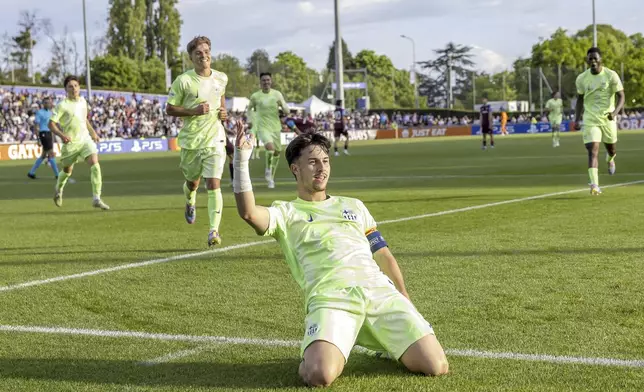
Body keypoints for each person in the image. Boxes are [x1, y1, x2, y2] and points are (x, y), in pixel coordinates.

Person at [231, 124, 449, 387]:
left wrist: (405, 298)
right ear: (295, 169)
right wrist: (241, 160)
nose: (321, 168)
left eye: (325, 161)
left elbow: (383, 255)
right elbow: (249, 213)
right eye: (312, 162)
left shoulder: (354, 205)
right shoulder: (286, 213)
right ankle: (321, 349)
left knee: (435, 365)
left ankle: (375, 341)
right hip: (331, 299)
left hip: (378, 292)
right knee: (319, 375)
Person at [166, 36, 229, 246]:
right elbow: (169, 108)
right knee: (193, 183)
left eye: (206, 51)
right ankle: (190, 200)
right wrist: (193, 111)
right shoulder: (183, 80)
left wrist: (223, 112)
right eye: (198, 53)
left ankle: (213, 231)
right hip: (192, 141)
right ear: (191, 57)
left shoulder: (221, 78)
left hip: (215, 138)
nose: (204, 56)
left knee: (214, 184)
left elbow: (221, 99)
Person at [49, 76, 109, 210]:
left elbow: (84, 119)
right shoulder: (62, 105)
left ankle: (96, 198)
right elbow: (51, 124)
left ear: (79, 87)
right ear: (65, 89)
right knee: (67, 170)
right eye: (70, 86)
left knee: (95, 163)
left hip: (85, 140)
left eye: (76, 85)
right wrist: (62, 135)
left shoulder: (83, 101)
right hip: (70, 143)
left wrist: (93, 132)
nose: (74, 88)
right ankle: (58, 189)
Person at [574, 47, 625, 195]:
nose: (593, 61)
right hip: (590, 119)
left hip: (608, 119)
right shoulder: (582, 79)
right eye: (590, 59)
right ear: (587, 61)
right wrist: (576, 119)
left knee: (612, 149)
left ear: (601, 59)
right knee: (593, 150)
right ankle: (594, 185)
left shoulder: (611, 75)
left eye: (595, 58)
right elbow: (579, 99)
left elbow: (621, 96)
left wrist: (614, 113)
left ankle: (610, 159)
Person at [247, 72, 289, 189]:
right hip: (262, 127)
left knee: (277, 152)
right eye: (264, 80)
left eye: (268, 80)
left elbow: (285, 107)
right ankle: (267, 169)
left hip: (276, 127)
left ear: (271, 81)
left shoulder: (277, 94)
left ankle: (271, 178)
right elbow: (249, 109)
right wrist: (250, 119)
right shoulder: (256, 96)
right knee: (270, 148)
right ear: (260, 82)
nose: (266, 82)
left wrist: (285, 109)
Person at [27, 97, 59, 179]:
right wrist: (38, 139)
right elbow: (36, 126)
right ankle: (57, 174)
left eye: (49, 102)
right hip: (43, 133)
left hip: (49, 133)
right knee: (51, 154)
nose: (48, 104)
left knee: (43, 155)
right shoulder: (39, 113)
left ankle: (31, 172)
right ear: (43, 104)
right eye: (46, 103)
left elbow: (52, 125)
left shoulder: (50, 112)